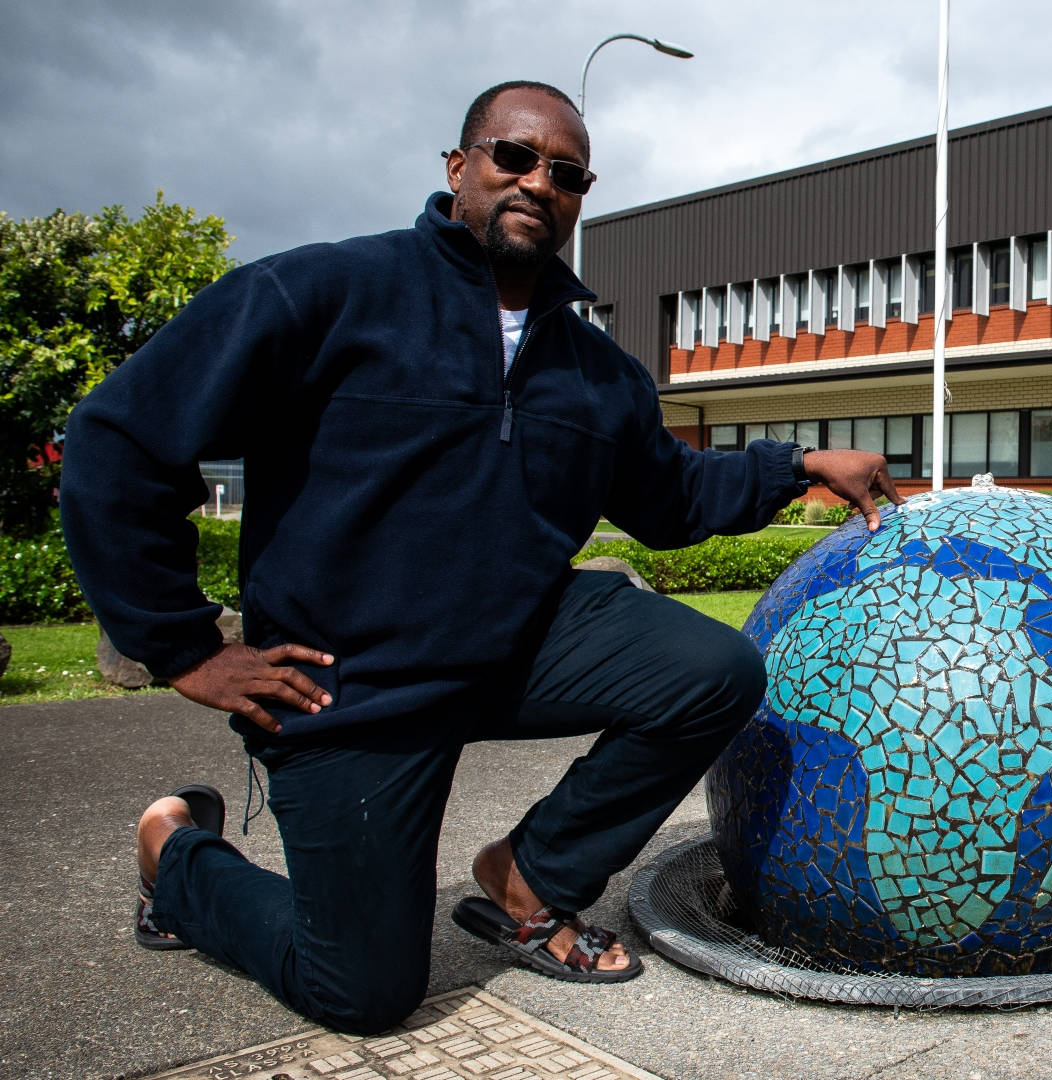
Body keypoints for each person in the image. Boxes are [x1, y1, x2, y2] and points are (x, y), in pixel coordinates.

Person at [60, 80, 900, 1033]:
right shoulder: (325, 293)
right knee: (363, 994)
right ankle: (175, 856)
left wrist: (799, 465)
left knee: (712, 670)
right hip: (352, 691)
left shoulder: (596, 373)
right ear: (459, 167)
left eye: (567, 173)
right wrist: (182, 647)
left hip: (513, 647)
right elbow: (119, 440)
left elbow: (668, 498)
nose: (539, 181)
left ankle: (529, 878)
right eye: (515, 156)